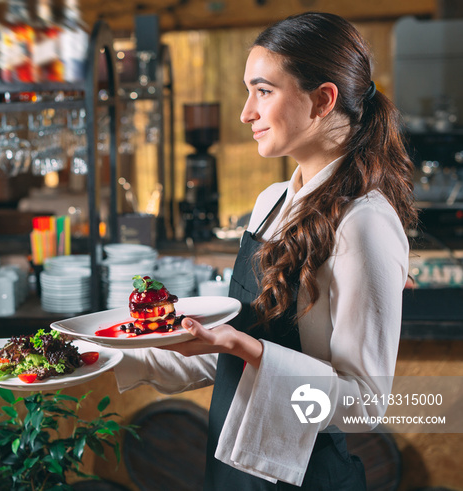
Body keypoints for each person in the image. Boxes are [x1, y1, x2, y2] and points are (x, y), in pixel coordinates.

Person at [113, 11, 417, 490]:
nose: (245, 112)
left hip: (305, 476)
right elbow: (231, 354)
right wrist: (102, 355)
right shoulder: (271, 203)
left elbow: (363, 405)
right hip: (233, 467)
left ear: (322, 100)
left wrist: (246, 348)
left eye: (263, 90)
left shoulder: (364, 223)